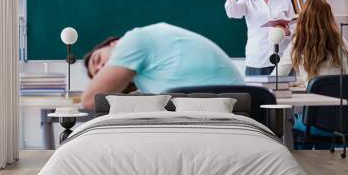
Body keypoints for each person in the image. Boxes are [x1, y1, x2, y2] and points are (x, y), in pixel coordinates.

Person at [82, 22, 244, 109]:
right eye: (98, 73)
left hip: (218, 108)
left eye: (98, 60)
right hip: (238, 106)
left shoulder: (132, 40)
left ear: (113, 43)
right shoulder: (148, 73)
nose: (101, 68)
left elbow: (90, 101)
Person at [274, 0, 348, 149]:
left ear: (303, 18)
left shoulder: (297, 44)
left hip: (314, 126)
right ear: (329, 17)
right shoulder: (340, 42)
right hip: (346, 125)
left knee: (293, 120)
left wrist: (303, 79)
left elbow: (275, 78)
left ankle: (305, 164)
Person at [225, 0, 295, 76]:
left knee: (284, 94)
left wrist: (287, 31)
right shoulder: (246, 0)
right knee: (258, 94)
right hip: (257, 60)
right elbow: (232, 13)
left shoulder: (284, 0)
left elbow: (294, 28)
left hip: (282, 60)